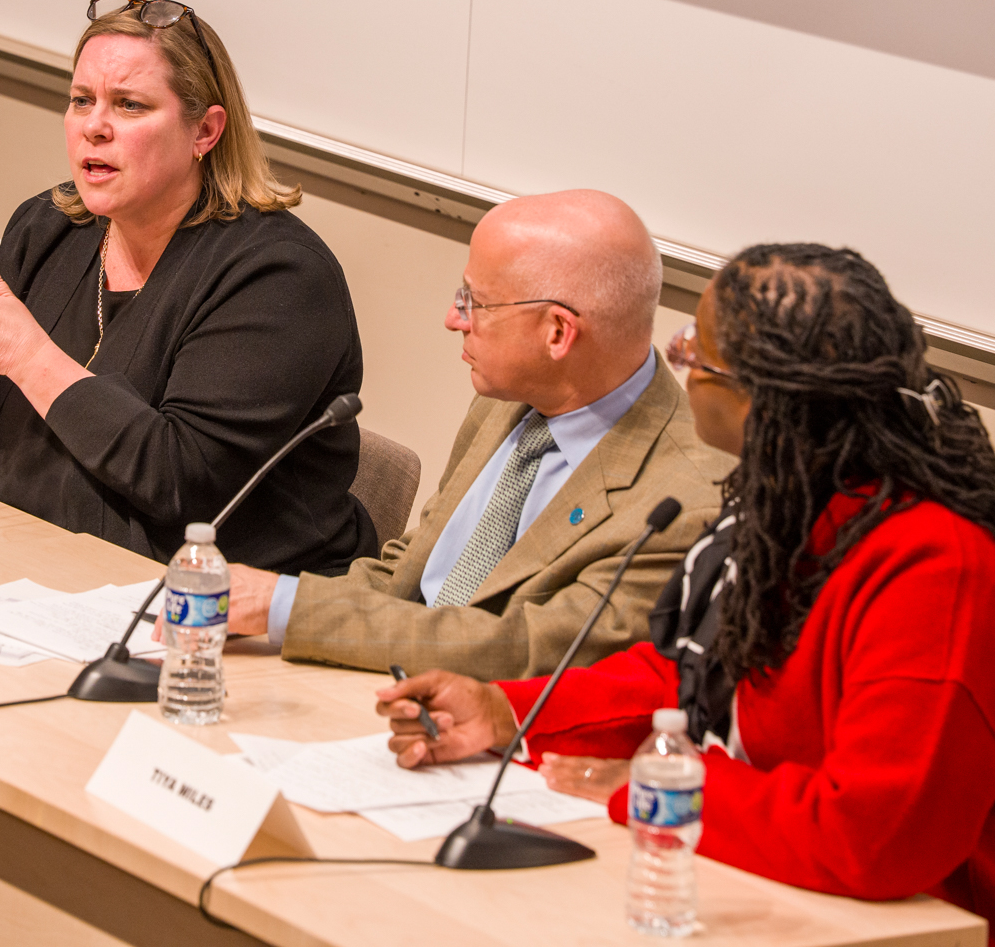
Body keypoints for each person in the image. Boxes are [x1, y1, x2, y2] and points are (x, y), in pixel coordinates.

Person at [377, 244, 995, 947]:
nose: (679, 363)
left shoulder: (941, 570)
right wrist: (509, 712)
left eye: (696, 355)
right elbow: (691, 680)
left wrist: (647, 786)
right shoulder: (785, 511)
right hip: (774, 899)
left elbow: (872, 840)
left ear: (765, 400)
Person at [0, 0, 373, 574]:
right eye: (81, 101)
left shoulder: (279, 277)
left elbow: (185, 485)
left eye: (129, 106)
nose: (94, 127)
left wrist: (26, 355)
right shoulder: (51, 226)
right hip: (13, 559)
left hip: (191, 608)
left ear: (204, 131)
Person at [224, 190, 732, 678]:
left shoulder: (689, 502)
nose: (453, 319)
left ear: (558, 332)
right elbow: (411, 576)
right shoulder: (507, 400)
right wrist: (261, 605)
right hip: (381, 685)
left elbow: (530, 650)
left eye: (476, 303)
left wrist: (286, 609)